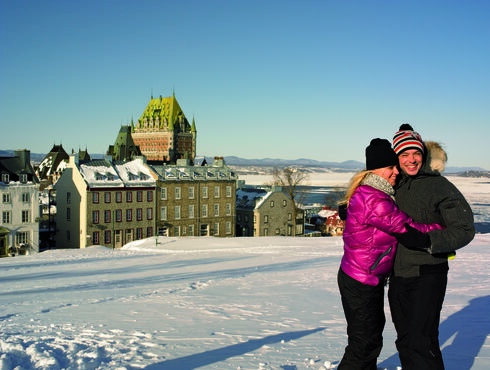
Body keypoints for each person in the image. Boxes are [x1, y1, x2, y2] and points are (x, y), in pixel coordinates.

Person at [337, 138, 442, 370]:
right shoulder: (374, 198)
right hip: (360, 280)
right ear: (376, 169)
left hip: (364, 277)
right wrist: (443, 229)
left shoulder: (373, 191)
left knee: (368, 340)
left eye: (396, 166)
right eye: (391, 167)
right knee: (363, 344)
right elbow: (406, 227)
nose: (396, 171)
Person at [389, 124, 475, 369]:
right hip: (397, 274)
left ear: (423, 154)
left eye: (415, 153)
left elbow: (464, 229)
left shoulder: (440, 186)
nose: (411, 159)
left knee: (421, 341)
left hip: (428, 273)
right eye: (404, 154)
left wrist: (429, 241)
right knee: (404, 340)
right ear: (396, 157)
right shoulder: (392, 184)